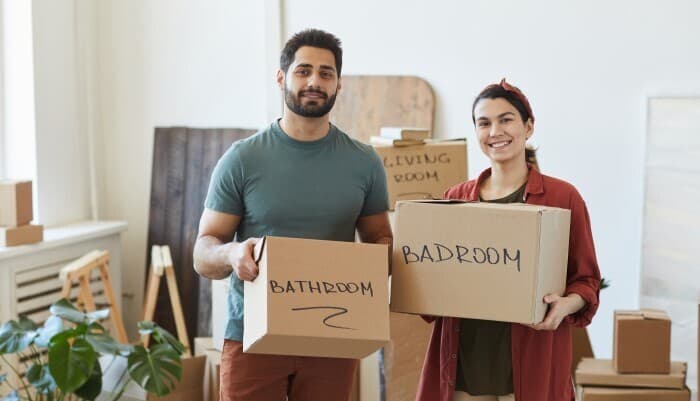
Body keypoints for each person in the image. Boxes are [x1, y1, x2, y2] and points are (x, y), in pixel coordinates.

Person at [193, 28, 392, 401]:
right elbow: (203, 253)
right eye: (303, 71)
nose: (314, 81)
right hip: (252, 334)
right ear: (281, 77)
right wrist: (232, 254)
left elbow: (381, 240)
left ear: (338, 84)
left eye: (326, 73)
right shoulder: (242, 158)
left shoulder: (364, 163)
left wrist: (370, 266)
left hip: (334, 331)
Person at [415, 79, 601, 401]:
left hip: (532, 358)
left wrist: (564, 306)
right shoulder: (455, 198)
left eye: (506, 119)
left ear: (528, 127)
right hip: (466, 360)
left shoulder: (562, 197)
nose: (495, 131)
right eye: (484, 123)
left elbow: (587, 281)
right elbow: (435, 284)